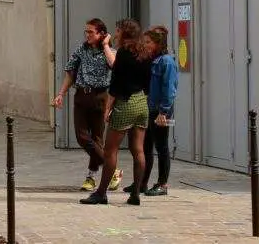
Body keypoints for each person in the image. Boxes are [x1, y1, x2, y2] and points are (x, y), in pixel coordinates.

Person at [81, 19, 151, 206]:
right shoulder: (145, 53)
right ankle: (136, 192)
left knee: (110, 150)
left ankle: (101, 192)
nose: (116, 34)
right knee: (138, 150)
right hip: (141, 102)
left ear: (125, 32)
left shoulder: (123, 54)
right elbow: (147, 82)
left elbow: (116, 85)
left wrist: (108, 108)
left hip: (125, 102)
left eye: (118, 30)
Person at [53, 18, 119, 192]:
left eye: (91, 32)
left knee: (98, 138)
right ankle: (112, 169)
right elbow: (70, 73)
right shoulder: (81, 50)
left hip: (100, 96)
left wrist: (105, 45)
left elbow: (114, 65)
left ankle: (91, 177)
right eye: (86, 31)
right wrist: (61, 93)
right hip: (82, 95)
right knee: (82, 137)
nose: (87, 35)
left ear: (101, 34)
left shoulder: (110, 51)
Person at [127, 26, 178, 196]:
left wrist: (163, 112)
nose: (145, 45)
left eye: (148, 42)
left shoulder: (166, 61)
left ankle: (162, 184)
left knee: (162, 146)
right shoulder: (152, 61)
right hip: (149, 108)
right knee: (145, 146)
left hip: (161, 111)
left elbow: (169, 89)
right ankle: (141, 182)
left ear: (158, 43)